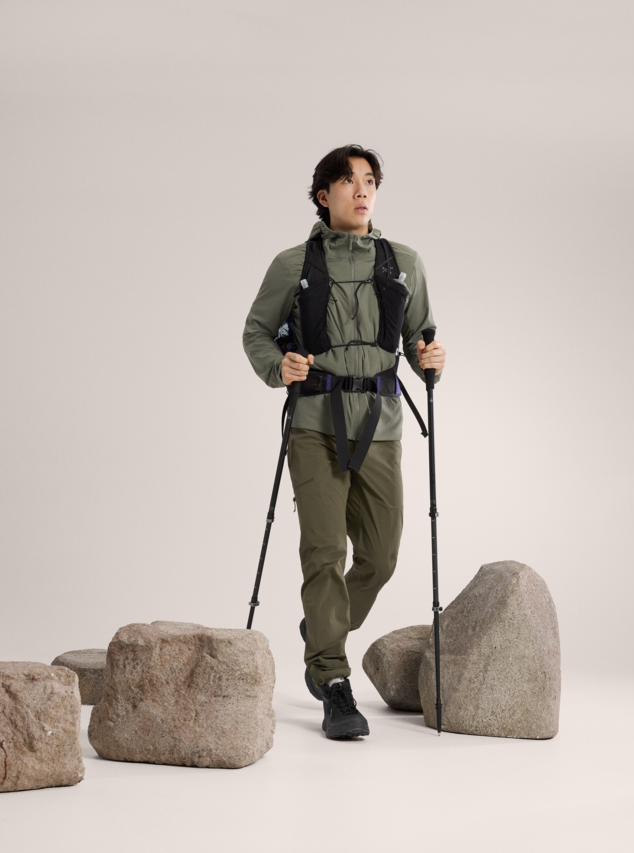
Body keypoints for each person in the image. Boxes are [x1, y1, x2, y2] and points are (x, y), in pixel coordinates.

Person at [243, 144, 446, 739]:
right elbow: (257, 332)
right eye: (350, 181)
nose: (362, 191)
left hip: (380, 424)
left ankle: (322, 628)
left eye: (370, 181)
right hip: (315, 423)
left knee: (381, 556)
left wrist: (430, 359)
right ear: (323, 194)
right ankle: (332, 678)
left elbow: (420, 337)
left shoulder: (404, 262)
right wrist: (278, 366)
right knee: (324, 551)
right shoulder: (293, 264)